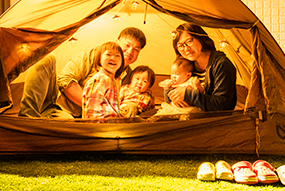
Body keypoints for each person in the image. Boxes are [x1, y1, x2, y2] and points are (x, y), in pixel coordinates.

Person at [19, 27, 147, 118]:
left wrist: (130, 105)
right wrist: (92, 104)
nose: (130, 51)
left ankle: (43, 120)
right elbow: (64, 79)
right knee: (47, 58)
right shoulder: (94, 53)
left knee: (66, 123)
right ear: (117, 41)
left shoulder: (130, 76)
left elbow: (121, 103)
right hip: (56, 101)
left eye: (136, 49)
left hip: (71, 116)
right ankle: (27, 117)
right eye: (127, 45)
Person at [167, 23, 237, 112]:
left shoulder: (221, 64)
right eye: (180, 46)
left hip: (214, 121)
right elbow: (170, 90)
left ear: (200, 38)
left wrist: (188, 95)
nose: (186, 49)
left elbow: (222, 106)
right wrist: (174, 97)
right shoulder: (187, 64)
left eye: (189, 41)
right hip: (188, 116)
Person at [82, 42, 125, 119]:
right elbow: (92, 110)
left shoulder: (114, 80)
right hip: (100, 126)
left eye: (117, 55)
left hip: (111, 124)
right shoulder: (100, 79)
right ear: (99, 59)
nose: (113, 58)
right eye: (108, 54)